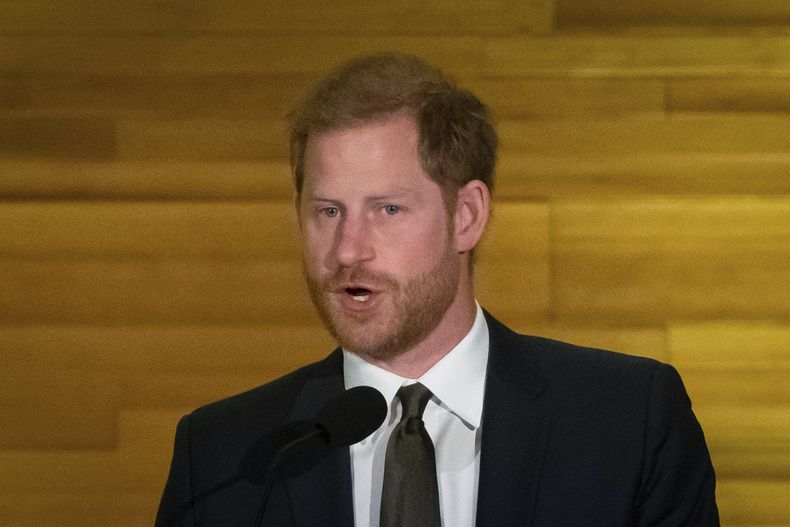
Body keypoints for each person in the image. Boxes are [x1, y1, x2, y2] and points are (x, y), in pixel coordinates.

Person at [155, 53, 719, 526]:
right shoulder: (221, 455)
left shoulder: (629, 423)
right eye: (328, 211)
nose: (348, 249)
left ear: (467, 216)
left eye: (388, 209)